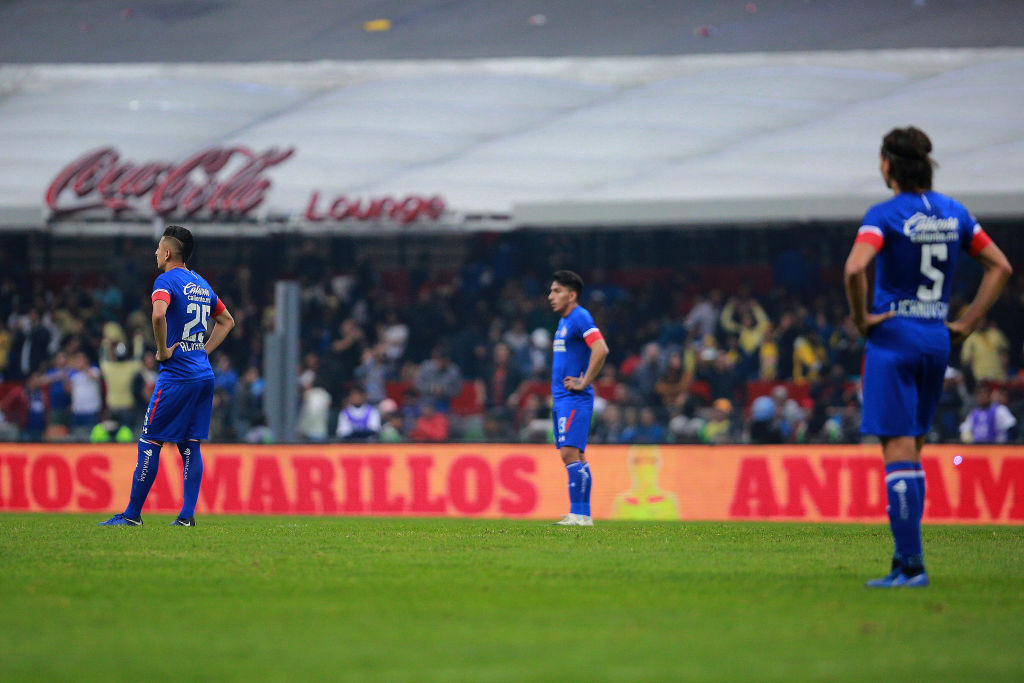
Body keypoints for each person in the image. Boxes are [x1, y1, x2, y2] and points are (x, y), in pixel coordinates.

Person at [844, 127, 1012, 587]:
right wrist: (968, 322)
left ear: (887, 165)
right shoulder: (955, 212)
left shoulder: (884, 215)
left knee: (897, 450)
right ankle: (905, 562)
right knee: (913, 451)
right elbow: (1000, 266)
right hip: (936, 337)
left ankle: (912, 565)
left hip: (893, 337)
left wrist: (861, 318)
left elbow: (855, 267)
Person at [99, 225, 235, 527]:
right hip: (203, 375)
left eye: (159, 248)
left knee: (150, 440)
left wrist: (162, 351)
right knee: (190, 444)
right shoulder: (201, 284)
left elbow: (158, 314)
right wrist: (203, 351)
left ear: (169, 252)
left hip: (177, 375)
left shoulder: (165, 281)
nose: (155, 253)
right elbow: (227, 321)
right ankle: (186, 516)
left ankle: (131, 516)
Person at [548, 270, 609, 526]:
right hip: (562, 398)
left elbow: (601, 348)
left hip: (574, 398)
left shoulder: (579, 317)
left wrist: (584, 382)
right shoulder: (564, 321)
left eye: (557, 291)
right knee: (577, 456)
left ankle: (578, 514)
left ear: (571, 295)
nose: (550, 296)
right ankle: (582, 514)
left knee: (569, 454)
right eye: (551, 291)